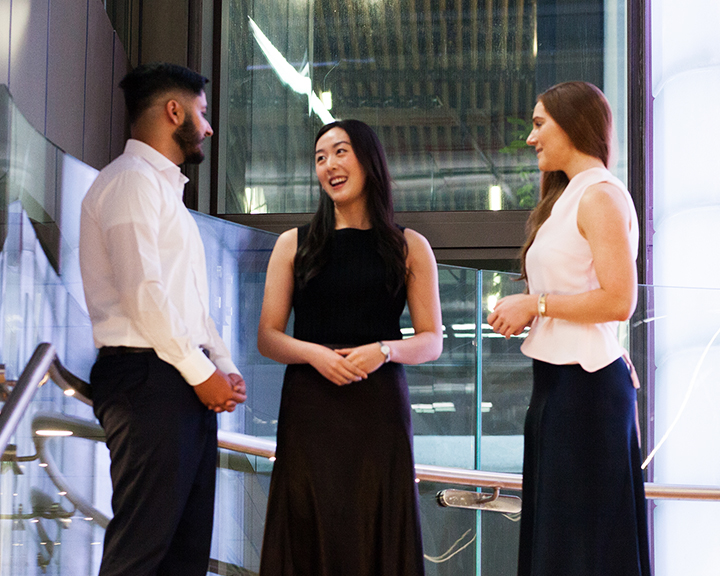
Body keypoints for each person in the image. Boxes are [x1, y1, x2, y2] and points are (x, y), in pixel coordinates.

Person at [79, 62, 247, 576]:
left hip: (173, 378)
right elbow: (143, 295)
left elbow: (187, 302)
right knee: (141, 551)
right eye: (202, 112)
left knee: (183, 556)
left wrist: (221, 365)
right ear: (174, 111)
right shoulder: (130, 181)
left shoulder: (162, 191)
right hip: (147, 377)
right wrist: (202, 373)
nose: (208, 127)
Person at [257, 119, 443, 575]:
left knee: (374, 522)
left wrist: (383, 350)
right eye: (320, 158)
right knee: (308, 519)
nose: (329, 165)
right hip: (310, 405)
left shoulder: (409, 246)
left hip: (377, 407)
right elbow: (268, 336)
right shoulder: (292, 244)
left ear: (368, 160)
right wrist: (315, 354)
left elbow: (431, 340)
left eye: (340, 152)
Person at [488, 81, 651, 575]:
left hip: (586, 389)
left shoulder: (599, 195)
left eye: (540, 124)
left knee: (581, 547)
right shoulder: (569, 197)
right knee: (562, 543)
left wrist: (536, 305)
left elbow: (620, 300)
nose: (531, 137)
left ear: (573, 124)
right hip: (560, 386)